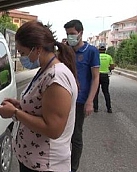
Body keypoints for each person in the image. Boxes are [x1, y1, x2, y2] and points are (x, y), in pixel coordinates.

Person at [0, 20, 78, 172]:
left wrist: (15, 113)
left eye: (23, 53)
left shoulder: (56, 78)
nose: (22, 57)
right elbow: (41, 105)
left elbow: (53, 129)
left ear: (37, 49)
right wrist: (19, 104)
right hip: (32, 161)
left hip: (46, 165)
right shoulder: (45, 70)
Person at [64, 19, 100, 172]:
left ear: (81, 33)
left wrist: (90, 101)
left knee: (76, 136)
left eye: (72, 34)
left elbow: (95, 77)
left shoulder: (91, 51)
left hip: (79, 100)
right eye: (67, 34)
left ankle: (73, 168)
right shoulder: (66, 50)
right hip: (64, 98)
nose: (70, 37)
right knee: (60, 133)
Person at [93, 44, 115, 113]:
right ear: (105, 50)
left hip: (97, 76)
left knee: (96, 92)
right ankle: (109, 108)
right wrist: (108, 69)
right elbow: (112, 67)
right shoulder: (109, 57)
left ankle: (96, 108)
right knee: (106, 92)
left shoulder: (96, 56)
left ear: (98, 49)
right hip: (105, 76)